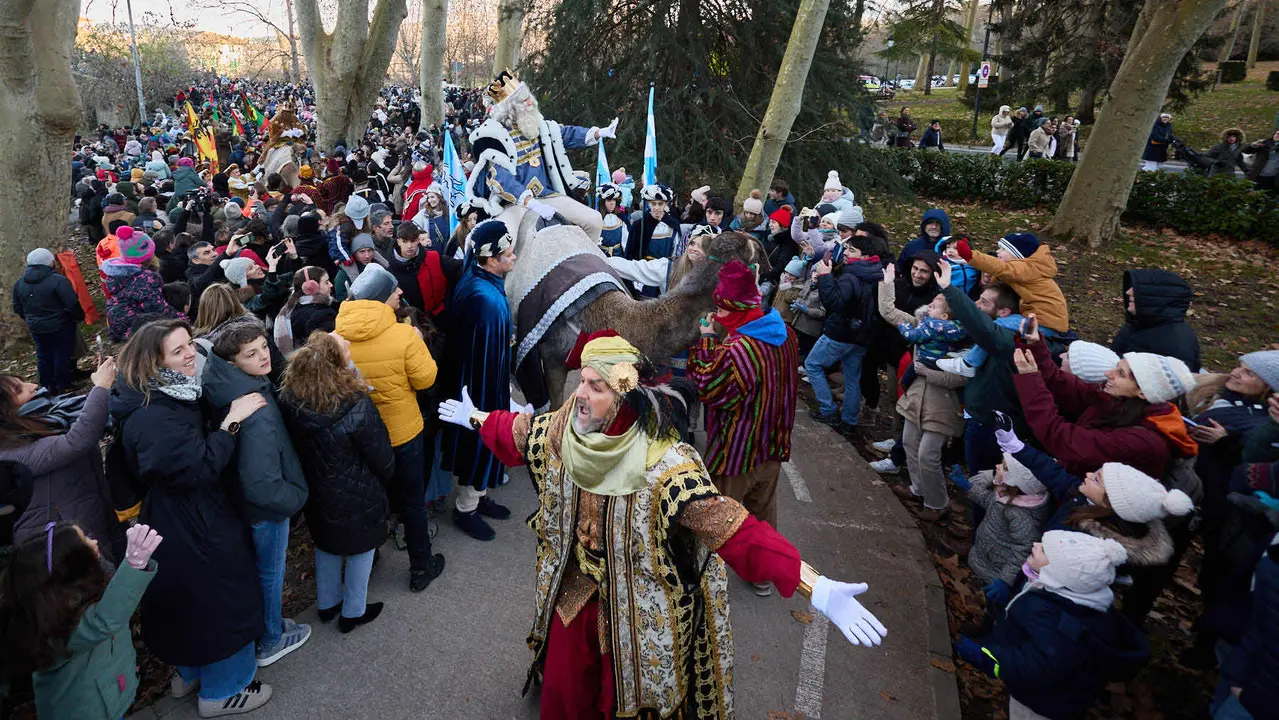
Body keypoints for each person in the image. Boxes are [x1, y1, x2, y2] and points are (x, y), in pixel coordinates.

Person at [436, 332, 887, 717]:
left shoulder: (664, 467)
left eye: (597, 387)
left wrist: (814, 585)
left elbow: (731, 527)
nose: (581, 397)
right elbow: (519, 433)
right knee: (563, 689)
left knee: (629, 695)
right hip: (573, 589)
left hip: (638, 604)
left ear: (622, 395)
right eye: (581, 383)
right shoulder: (562, 431)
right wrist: (475, 418)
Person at [110, 319, 273, 716]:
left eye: (189, 345)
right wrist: (231, 422)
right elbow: (198, 468)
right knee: (219, 596)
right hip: (192, 519)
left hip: (171, 517)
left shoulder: (153, 397)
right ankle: (225, 690)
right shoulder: (154, 416)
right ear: (154, 362)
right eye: (179, 350)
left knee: (185, 600)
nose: (190, 355)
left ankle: (191, 672)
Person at [201, 321, 312, 667]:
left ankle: (269, 625)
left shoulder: (224, 384)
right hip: (266, 509)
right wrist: (294, 499)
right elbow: (261, 483)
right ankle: (271, 639)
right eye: (252, 354)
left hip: (244, 504)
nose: (264, 356)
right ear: (233, 362)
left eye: (264, 347)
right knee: (270, 571)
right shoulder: (257, 411)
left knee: (261, 569)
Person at [687, 262, 799, 595]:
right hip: (772, 446)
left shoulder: (738, 350)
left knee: (717, 516)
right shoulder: (785, 332)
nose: (717, 314)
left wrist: (706, 341)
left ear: (736, 309)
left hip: (738, 451)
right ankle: (763, 576)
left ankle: (702, 578)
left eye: (721, 308)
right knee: (763, 515)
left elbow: (709, 388)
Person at [954, 532, 1150, 720]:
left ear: (1064, 572)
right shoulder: (1064, 594)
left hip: (1042, 704)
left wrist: (989, 659)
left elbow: (1036, 668)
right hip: (1042, 692)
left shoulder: (1060, 623)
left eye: (1045, 550)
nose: (1035, 545)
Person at [334, 264, 445, 591]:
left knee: (370, 500)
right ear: (382, 298)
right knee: (412, 501)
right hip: (403, 433)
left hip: (361, 436)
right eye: (394, 290)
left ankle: (368, 563)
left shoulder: (337, 335)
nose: (400, 293)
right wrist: (418, 341)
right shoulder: (402, 334)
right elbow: (427, 379)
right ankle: (421, 567)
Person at [280, 332, 394, 633]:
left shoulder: (290, 400)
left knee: (326, 544)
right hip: (357, 489)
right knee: (361, 548)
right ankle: (353, 611)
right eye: (345, 349)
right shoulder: (354, 402)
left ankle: (327, 604)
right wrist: (388, 476)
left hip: (316, 489)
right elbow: (379, 452)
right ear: (335, 363)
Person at [0, 523, 163, 720]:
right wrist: (133, 567)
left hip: (106, 699)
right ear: (69, 566)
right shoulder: (53, 627)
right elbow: (106, 618)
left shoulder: (73, 594)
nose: (93, 541)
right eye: (84, 541)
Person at [464, 72, 614, 240]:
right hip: (515, 204)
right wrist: (530, 202)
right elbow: (500, 179)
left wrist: (599, 133)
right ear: (509, 107)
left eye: (528, 96)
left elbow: (566, 134)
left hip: (548, 196)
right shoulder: (494, 137)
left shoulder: (538, 126)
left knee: (593, 219)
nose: (530, 101)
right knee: (504, 241)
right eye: (523, 99)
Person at [440, 221, 517, 541]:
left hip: (477, 377)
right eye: (509, 254)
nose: (515, 257)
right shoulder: (487, 300)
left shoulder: (479, 278)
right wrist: (495, 400)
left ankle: (479, 495)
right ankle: (466, 509)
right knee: (481, 437)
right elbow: (485, 357)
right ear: (491, 259)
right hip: (480, 385)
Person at [0, 361, 121, 559]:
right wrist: (101, 388)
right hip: (59, 541)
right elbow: (76, 441)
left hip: (89, 514)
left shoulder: (42, 419)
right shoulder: (10, 452)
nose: (33, 386)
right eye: (19, 389)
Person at [804, 233, 883, 438]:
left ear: (865, 256)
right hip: (861, 337)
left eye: (852, 250)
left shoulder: (851, 275)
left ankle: (828, 410)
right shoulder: (876, 274)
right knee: (852, 378)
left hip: (839, 333)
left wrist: (824, 277)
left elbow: (834, 303)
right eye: (846, 249)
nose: (846, 253)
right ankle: (849, 420)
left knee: (812, 364)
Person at [12, 249, 85, 393]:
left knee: (43, 355)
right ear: (49, 262)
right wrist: (77, 317)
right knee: (61, 355)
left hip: (36, 327)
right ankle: (64, 385)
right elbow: (72, 303)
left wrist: (29, 319)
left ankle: (47, 385)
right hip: (60, 325)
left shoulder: (19, 284)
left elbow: (17, 306)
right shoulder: (58, 280)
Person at [103, 226, 187, 340]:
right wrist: (185, 321)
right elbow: (158, 308)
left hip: (119, 323)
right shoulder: (143, 279)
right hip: (134, 330)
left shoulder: (121, 273)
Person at [1110, 268, 1201, 372]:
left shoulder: (1176, 343)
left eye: (1136, 289)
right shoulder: (1137, 324)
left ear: (1159, 299)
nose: (1128, 292)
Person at [595, 184, 631, 257]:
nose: (612, 203)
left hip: (619, 257)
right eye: (609, 200)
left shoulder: (621, 218)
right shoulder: (596, 219)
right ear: (603, 202)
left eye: (614, 200)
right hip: (602, 256)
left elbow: (626, 240)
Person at [1242, 127, 1279, 192]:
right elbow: (1245, 150)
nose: (1277, 135)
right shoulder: (1265, 143)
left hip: (1274, 179)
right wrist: (1253, 144)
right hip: (1257, 176)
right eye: (1277, 134)